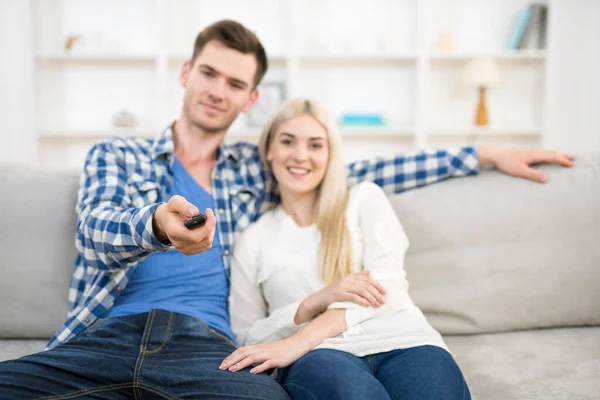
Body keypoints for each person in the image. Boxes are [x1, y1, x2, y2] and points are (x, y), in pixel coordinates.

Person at [0, 19, 573, 399]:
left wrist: (482, 152)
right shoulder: (118, 155)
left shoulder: (255, 169)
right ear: (186, 73)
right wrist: (156, 225)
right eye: (208, 73)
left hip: (206, 344)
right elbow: (95, 232)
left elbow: (353, 173)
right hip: (104, 333)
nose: (217, 90)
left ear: (252, 99)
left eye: (235, 82)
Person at [222, 97, 472, 399]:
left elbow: (388, 285)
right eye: (288, 142)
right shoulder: (254, 238)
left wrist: (299, 340)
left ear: (330, 154)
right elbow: (246, 334)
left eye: (315, 145)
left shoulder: (364, 199)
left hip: (404, 338)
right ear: (269, 150)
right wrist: (311, 303)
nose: (301, 155)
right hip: (321, 355)